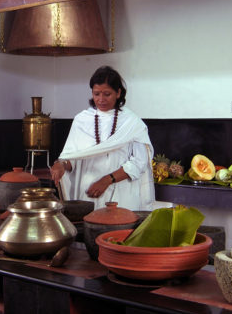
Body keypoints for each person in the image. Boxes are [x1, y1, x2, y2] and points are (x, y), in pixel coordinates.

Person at [50, 66, 154, 211]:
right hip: (87, 193)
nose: (101, 99)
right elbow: (73, 159)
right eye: (96, 94)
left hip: (122, 194)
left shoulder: (132, 123)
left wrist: (107, 180)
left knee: (120, 231)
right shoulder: (82, 120)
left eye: (107, 94)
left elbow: (139, 162)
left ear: (118, 93)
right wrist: (61, 164)